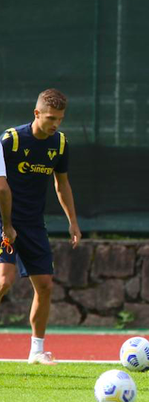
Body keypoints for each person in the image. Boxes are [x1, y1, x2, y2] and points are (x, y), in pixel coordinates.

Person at [0, 88, 82, 365]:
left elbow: (62, 184)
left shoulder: (59, 144)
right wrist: (7, 224)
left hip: (33, 224)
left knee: (45, 285)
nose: (55, 124)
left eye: (60, 119)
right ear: (37, 113)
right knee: (4, 281)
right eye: (50, 118)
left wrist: (73, 222)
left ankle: (36, 351)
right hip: (3, 220)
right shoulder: (11, 140)